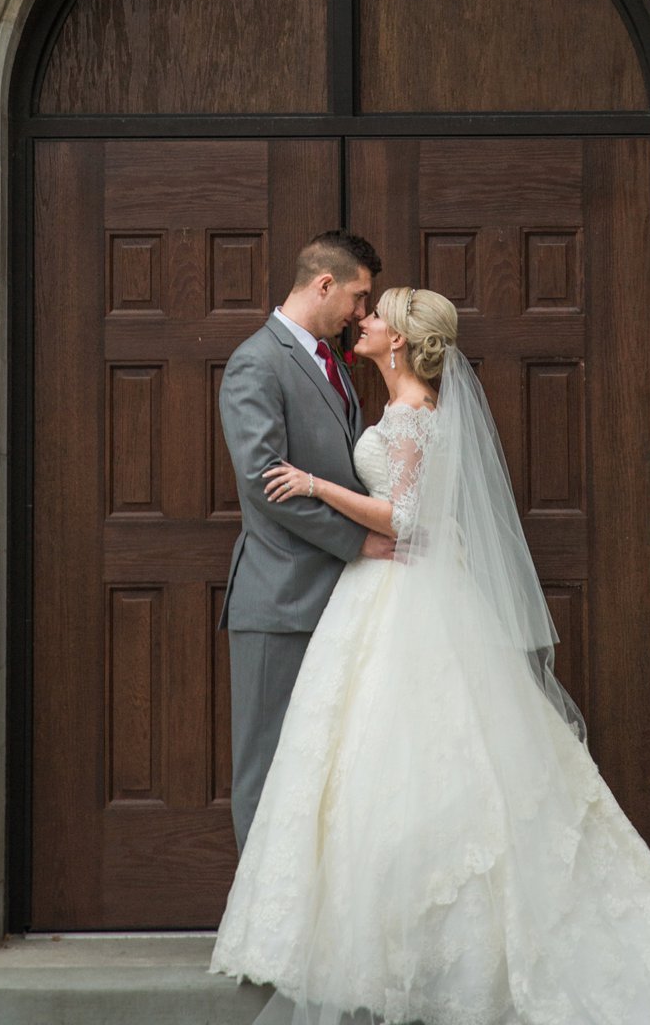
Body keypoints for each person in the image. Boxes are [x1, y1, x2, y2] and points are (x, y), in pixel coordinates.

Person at [210, 286, 650, 1025]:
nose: (363, 322)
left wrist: (314, 483)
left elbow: (402, 518)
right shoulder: (397, 410)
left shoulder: (415, 418)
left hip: (401, 589)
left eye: (376, 316)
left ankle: (423, 946)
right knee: (377, 759)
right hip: (387, 593)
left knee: (408, 758)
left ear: (398, 342)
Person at [217, 227, 394, 851]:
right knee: (266, 768)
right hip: (280, 600)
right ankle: (256, 936)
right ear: (325, 284)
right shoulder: (255, 363)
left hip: (338, 602)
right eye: (359, 296)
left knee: (324, 769)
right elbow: (267, 482)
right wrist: (358, 542)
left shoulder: (330, 362)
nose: (362, 314)